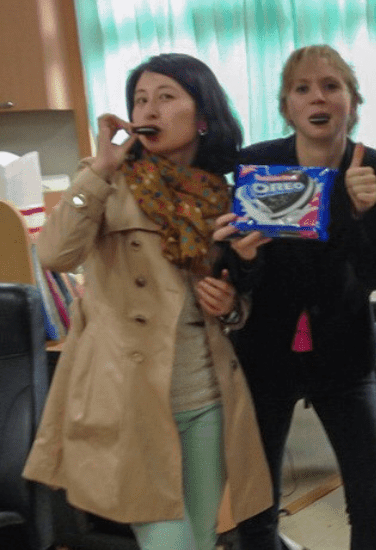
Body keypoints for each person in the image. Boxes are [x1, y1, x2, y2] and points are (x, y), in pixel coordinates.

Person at [22, 52, 272, 550]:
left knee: (201, 540)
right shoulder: (106, 182)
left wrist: (231, 304)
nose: (149, 109)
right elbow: (53, 253)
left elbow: (238, 304)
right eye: (140, 99)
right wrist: (99, 168)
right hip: (128, 397)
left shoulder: (225, 197)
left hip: (205, 395)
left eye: (166, 97)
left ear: (202, 118)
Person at [214, 45, 376, 550]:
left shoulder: (375, 170)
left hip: (345, 353)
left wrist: (361, 214)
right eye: (303, 88)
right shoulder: (256, 165)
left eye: (332, 86)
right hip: (265, 353)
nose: (318, 96)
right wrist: (244, 260)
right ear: (287, 106)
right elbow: (234, 274)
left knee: (372, 502)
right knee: (256, 505)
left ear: (352, 104)